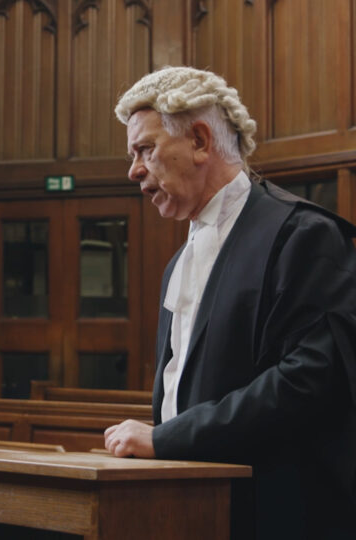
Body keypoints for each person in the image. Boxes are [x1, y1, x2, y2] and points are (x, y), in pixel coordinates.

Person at [103, 66, 356, 539]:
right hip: (190, 507)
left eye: (145, 149)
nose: (133, 170)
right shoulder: (177, 261)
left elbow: (308, 383)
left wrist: (165, 439)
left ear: (199, 141)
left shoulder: (303, 235)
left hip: (279, 513)